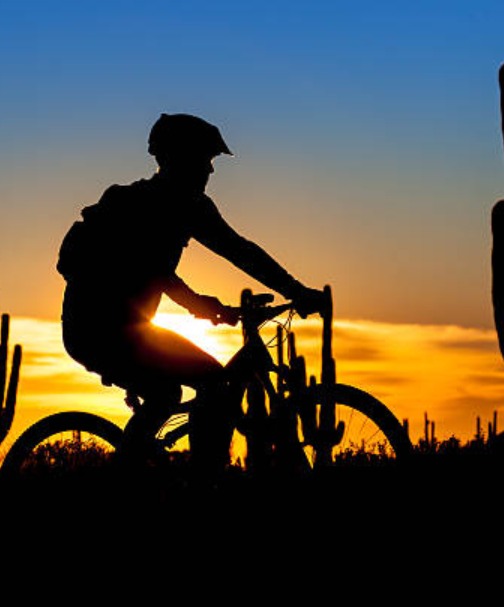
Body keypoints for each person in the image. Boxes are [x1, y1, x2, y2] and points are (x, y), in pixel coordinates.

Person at [57, 113, 326, 473]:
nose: (210, 172)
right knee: (211, 384)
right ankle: (197, 481)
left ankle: (144, 474)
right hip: (96, 329)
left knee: (168, 396)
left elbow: (240, 251)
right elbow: (157, 275)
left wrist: (295, 290)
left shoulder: (192, 207)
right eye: (206, 160)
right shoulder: (142, 203)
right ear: (178, 158)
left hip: (131, 332)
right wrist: (207, 307)